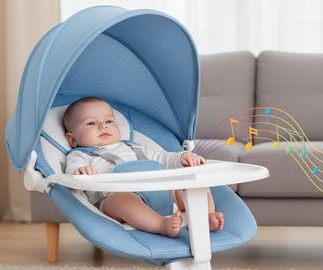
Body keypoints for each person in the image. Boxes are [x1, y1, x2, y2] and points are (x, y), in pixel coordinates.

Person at [63, 97, 224, 238]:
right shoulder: (80, 155)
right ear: (72, 140)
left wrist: (181, 157)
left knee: (194, 184)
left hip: (161, 191)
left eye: (109, 121)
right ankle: (161, 225)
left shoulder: (134, 147)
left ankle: (204, 217)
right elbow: (72, 171)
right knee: (122, 201)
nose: (102, 126)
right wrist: (80, 171)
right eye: (91, 123)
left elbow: (161, 157)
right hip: (117, 196)